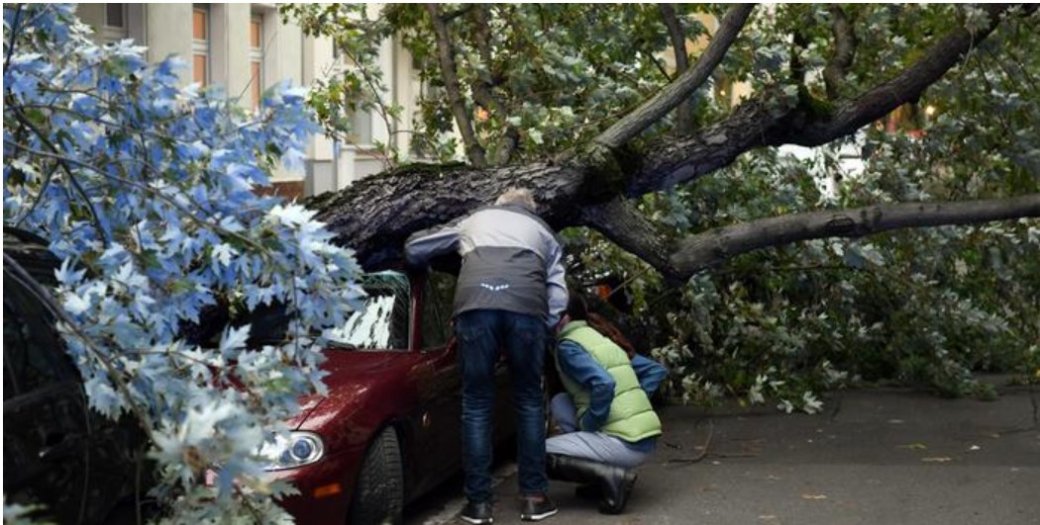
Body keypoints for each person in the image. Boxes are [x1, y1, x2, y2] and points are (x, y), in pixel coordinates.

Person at [405, 188, 567, 524]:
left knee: (477, 403)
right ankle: (534, 498)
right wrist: (541, 324)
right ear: (531, 211)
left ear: (499, 205)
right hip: (526, 312)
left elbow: (415, 248)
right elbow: (558, 293)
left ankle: (479, 504)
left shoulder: (475, 220)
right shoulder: (545, 233)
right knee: (529, 401)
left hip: (476, 309)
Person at [546, 293, 666, 514]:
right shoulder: (598, 337)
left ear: (564, 318)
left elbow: (604, 384)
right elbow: (656, 370)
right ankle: (598, 482)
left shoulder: (569, 346)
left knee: (535, 454)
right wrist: (632, 404)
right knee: (561, 401)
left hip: (624, 443)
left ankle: (611, 477)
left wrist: (590, 424)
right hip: (644, 438)